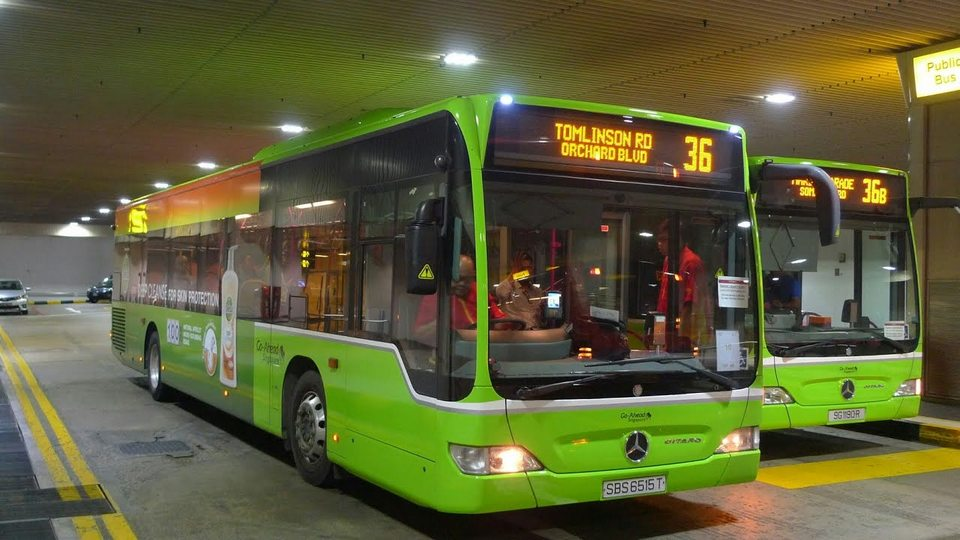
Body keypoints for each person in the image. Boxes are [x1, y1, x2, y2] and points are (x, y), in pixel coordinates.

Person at [413, 254, 506, 344]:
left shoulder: (480, 292)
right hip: (451, 353)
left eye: (468, 279)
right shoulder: (436, 297)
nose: (462, 284)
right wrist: (442, 320)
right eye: (458, 279)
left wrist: (509, 309)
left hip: (483, 349)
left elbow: (500, 321)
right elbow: (419, 334)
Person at [656, 219, 706, 349]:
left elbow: (689, 307)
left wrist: (681, 342)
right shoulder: (669, 260)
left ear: (677, 239)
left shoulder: (691, 262)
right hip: (665, 328)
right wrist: (659, 336)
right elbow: (663, 300)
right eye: (659, 240)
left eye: (664, 240)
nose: (659, 244)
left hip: (680, 334)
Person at [495, 250, 544, 329]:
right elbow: (501, 293)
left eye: (529, 268)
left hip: (534, 335)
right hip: (515, 335)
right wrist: (514, 273)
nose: (526, 271)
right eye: (522, 268)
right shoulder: (508, 287)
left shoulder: (537, 292)